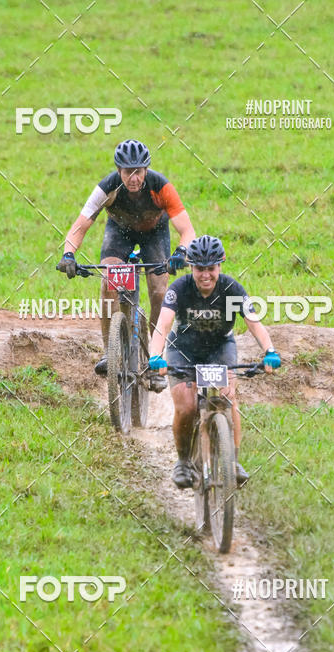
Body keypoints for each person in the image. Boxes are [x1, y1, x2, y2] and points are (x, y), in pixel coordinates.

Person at [57, 139, 195, 389]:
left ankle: (155, 358)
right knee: (109, 280)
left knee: (159, 292)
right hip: (119, 234)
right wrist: (68, 255)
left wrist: (180, 253)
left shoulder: (160, 186)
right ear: (118, 171)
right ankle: (110, 352)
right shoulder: (107, 188)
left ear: (146, 170)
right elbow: (80, 225)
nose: (133, 178)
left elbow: (188, 231)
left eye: (139, 172)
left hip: (155, 234)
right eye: (127, 172)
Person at [147, 235, 281, 488]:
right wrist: (155, 355)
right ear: (191, 268)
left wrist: (270, 351)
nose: (205, 275)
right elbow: (163, 325)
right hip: (183, 350)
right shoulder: (179, 289)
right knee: (186, 406)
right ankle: (184, 462)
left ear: (220, 266)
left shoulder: (232, 289)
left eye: (211, 268)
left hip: (220, 348)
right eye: (199, 269)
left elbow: (255, 323)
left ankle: (233, 462)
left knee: (229, 398)